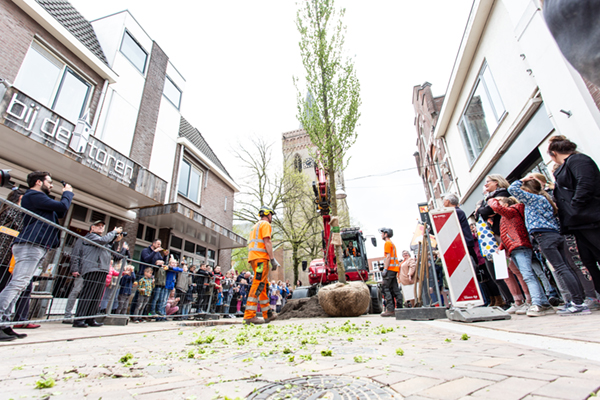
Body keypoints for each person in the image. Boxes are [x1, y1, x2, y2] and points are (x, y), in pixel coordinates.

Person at [0, 171, 73, 341]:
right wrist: (67, 193)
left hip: (37, 245)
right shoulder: (33, 195)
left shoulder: (40, 200)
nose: (52, 185)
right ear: (39, 182)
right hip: (30, 244)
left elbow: (60, 213)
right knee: (17, 284)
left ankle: (6, 324)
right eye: (50, 181)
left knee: (22, 284)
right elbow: (62, 207)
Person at [509, 176, 591, 316]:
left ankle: (578, 303)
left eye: (524, 190)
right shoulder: (545, 199)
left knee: (561, 268)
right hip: (554, 235)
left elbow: (512, 189)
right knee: (565, 268)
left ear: (528, 190)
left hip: (544, 236)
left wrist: (522, 179)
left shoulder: (533, 199)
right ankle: (578, 301)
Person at [548, 135, 600, 300]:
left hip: (589, 218)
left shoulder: (577, 160)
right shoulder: (569, 164)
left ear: (553, 153)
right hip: (579, 222)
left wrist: (575, 208)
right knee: (589, 259)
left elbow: (585, 183)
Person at [488, 197, 555, 317]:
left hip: (519, 245)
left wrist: (491, 200)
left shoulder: (513, 211)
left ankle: (537, 303)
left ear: (507, 204)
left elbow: (496, 207)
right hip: (514, 246)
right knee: (528, 275)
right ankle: (543, 303)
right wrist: (501, 247)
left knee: (528, 275)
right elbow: (506, 234)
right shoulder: (507, 217)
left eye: (501, 203)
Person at [70, 221, 122, 327]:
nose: (101, 228)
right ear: (92, 228)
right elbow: (103, 240)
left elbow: (112, 251)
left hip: (103, 269)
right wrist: (113, 232)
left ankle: (90, 318)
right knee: (88, 294)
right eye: (98, 226)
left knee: (96, 296)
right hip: (92, 268)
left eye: (102, 226)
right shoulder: (90, 237)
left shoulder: (102, 240)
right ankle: (79, 319)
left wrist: (116, 241)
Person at [475, 175, 514, 307]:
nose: (485, 185)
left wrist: (482, 209)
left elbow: (487, 211)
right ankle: (510, 300)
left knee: (509, 271)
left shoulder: (502, 194)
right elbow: (480, 213)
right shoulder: (487, 199)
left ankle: (515, 300)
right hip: (488, 240)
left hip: (499, 235)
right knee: (496, 273)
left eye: (487, 182)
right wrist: (482, 208)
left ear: (496, 183)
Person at [243, 206, 280, 324]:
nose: (272, 218)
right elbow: (267, 242)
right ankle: (249, 316)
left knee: (263, 285)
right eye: (271, 215)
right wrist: (272, 259)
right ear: (268, 214)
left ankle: (267, 314)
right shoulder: (266, 225)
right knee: (257, 283)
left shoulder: (255, 226)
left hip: (254, 259)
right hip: (260, 259)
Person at [378, 228, 402, 317]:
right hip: (394, 269)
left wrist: (385, 269)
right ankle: (400, 308)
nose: (381, 235)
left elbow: (388, 257)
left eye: (382, 233)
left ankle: (390, 309)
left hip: (390, 269)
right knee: (395, 289)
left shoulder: (387, 243)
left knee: (385, 288)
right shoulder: (392, 243)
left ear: (386, 234)